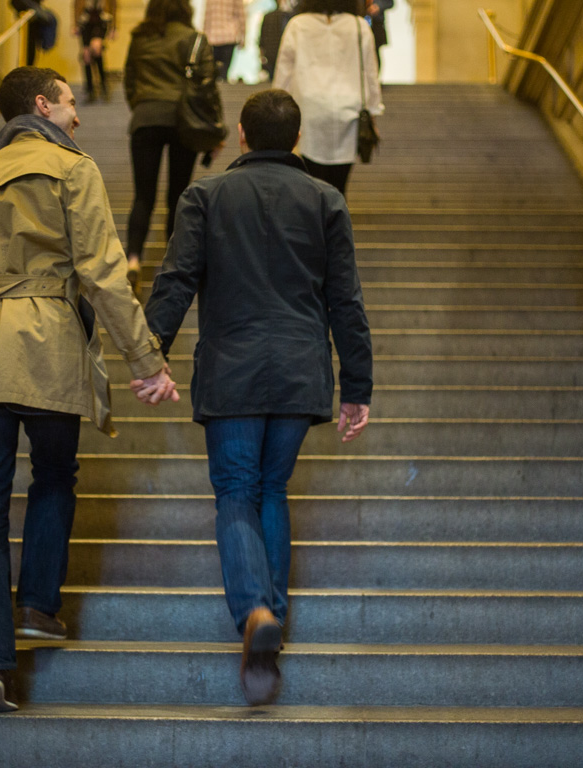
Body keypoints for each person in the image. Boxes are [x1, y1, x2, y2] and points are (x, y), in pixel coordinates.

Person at [0, 66, 177, 713]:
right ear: (43, 104)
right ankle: (36, 604)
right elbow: (103, 273)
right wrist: (146, 361)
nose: (78, 116)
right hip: (48, 344)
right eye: (70, 103)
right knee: (55, 475)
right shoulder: (71, 167)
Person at [142, 89, 372, 705]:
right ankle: (270, 618)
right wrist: (358, 386)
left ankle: (254, 613)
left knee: (237, 491)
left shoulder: (206, 196)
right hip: (300, 370)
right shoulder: (326, 198)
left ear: (241, 135)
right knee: (271, 488)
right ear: (297, 140)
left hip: (233, 369)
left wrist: (150, 354)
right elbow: (345, 300)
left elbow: (177, 279)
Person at [123, 0, 221, 294]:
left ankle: (133, 260)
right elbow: (206, 86)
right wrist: (215, 129)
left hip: (145, 118)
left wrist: (142, 106)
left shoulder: (140, 37)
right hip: (182, 121)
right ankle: (170, 265)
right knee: (177, 196)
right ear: (185, 2)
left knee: (143, 195)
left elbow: (129, 81)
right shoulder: (193, 38)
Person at [274, 0, 382, 197]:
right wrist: (372, 112)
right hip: (349, 112)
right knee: (338, 187)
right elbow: (370, 73)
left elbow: (284, 72)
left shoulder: (298, 25)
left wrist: (277, 108)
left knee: (312, 183)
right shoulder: (359, 26)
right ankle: (337, 227)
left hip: (309, 110)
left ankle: (314, 227)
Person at [73, 0, 117, 103]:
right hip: (85, 21)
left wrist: (114, 27)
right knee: (86, 55)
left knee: (97, 49)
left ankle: (103, 86)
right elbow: (75, 3)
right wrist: (74, 24)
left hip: (101, 21)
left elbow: (114, 5)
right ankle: (90, 89)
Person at [203, 0, 245, 82]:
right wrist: (243, 37)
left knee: (214, 67)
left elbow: (207, 16)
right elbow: (241, 17)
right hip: (229, 35)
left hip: (213, 36)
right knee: (225, 69)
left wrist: (204, 35)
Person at [357, 0, 393, 72]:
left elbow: (391, 3)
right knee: (364, 50)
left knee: (376, 49)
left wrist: (379, 7)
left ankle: (376, 76)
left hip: (377, 22)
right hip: (364, 22)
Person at [10, 0, 46, 66]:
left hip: (28, 19)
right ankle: (28, 71)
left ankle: (27, 70)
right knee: (29, 49)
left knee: (26, 49)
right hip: (30, 19)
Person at [258, 0, 289, 81]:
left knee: (272, 77)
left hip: (270, 50)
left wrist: (261, 50)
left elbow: (262, 35)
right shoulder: (286, 16)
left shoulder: (268, 16)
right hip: (280, 49)